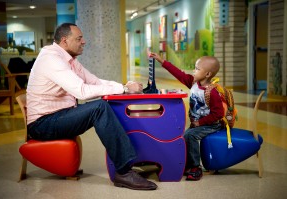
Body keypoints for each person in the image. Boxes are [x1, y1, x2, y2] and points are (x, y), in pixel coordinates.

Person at [26, 23, 157, 190]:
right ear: (65, 41)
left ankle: (131, 159)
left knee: (105, 104)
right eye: (79, 38)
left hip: (59, 116)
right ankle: (124, 172)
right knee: (99, 108)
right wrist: (123, 89)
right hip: (43, 124)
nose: (84, 42)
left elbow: (94, 81)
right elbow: (81, 91)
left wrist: (124, 86)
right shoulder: (51, 59)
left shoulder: (69, 59)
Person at [150, 52, 224, 181]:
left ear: (207, 74)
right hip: (198, 123)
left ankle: (196, 167)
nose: (193, 71)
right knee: (183, 137)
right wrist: (162, 61)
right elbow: (178, 74)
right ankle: (187, 164)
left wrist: (200, 123)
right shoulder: (193, 83)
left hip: (211, 125)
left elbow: (218, 114)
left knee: (190, 136)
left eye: (197, 68)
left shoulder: (212, 92)